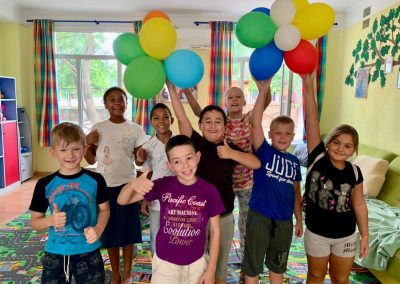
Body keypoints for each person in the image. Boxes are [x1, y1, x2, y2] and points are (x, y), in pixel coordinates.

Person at [167, 81, 261, 284]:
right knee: (195, 264)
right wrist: (172, 89)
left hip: (224, 215)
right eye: (207, 121)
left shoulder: (229, 146)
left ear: (225, 127)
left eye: (218, 121)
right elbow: (182, 117)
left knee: (220, 265)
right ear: (200, 125)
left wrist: (231, 153)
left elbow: (255, 163)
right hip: (196, 216)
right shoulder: (195, 142)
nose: (212, 125)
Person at [118, 135, 225, 284]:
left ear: (197, 157)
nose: (185, 165)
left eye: (189, 158)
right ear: (170, 165)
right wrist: (132, 184)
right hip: (165, 266)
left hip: (196, 265)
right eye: (177, 161)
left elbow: (215, 231)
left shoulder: (209, 190)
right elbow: (122, 200)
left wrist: (211, 269)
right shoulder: (162, 185)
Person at [184, 84, 271, 263]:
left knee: (246, 225)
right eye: (230, 97)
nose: (234, 100)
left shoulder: (249, 118)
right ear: (225, 102)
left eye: (238, 97)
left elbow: (264, 103)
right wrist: (187, 92)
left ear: (245, 101)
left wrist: (265, 86)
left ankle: (246, 262)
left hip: (247, 181)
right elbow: (198, 111)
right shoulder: (222, 122)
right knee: (222, 221)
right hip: (226, 181)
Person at [302, 73, 369, 283]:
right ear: (328, 142)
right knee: (316, 275)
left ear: (353, 150)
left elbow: (359, 204)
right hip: (316, 233)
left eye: (347, 146)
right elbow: (312, 120)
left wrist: (365, 235)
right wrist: (308, 85)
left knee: (341, 279)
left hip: (346, 236)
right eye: (336, 142)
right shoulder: (317, 158)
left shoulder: (355, 172)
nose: (341, 148)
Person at [29, 122, 110, 283]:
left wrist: (99, 229)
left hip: (88, 249)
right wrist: (50, 220)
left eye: (76, 149)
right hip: (56, 251)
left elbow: (105, 210)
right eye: (63, 150)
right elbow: (34, 223)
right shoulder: (44, 184)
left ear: (85, 149)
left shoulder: (96, 179)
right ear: (53, 152)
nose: (70, 155)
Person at [84, 86, 148, 284]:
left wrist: (140, 157)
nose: (117, 103)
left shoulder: (135, 129)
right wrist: (87, 142)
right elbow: (90, 157)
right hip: (104, 187)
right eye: (112, 99)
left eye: (121, 99)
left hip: (128, 186)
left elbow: (139, 162)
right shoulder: (99, 128)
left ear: (126, 103)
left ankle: (128, 272)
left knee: (128, 233)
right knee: (110, 233)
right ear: (105, 104)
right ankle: (116, 274)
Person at [242, 78, 303, 284]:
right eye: (278, 133)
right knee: (253, 262)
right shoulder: (264, 151)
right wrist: (263, 91)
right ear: (270, 134)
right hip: (260, 216)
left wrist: (299, 219)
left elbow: (296, 192)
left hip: (284, 221)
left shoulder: (294, 162)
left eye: (288, 134)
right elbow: (254, 122)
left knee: (278, 264)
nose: (283, 137)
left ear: (293, 135)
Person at [135, 103, 175, 254]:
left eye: (166, 117)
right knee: (157, 235)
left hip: (177, 199)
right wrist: (146, 198)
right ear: (151, 121)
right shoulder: (148, 146)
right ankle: (158, 270)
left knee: (176, 235)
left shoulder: (179, 141)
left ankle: (175, 268)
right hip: (157, 201)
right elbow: (146, 172)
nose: (162, 121)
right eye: (156, 118)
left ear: (172, 119)